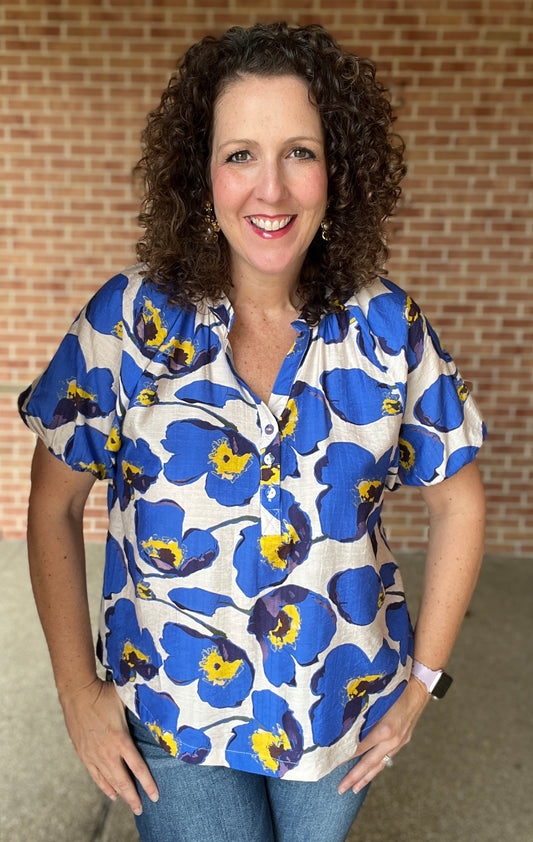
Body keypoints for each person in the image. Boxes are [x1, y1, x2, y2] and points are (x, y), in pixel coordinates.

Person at [19, 22, 486, 842]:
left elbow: (458, 501)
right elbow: (52, 503)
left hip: (340, 709)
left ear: (336, 169)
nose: (269, 190)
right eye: (240, 154)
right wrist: (76, 692)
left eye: (299, 152)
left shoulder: (385, 329)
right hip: (170, 712)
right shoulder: (129, 322)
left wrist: (420, 688)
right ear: (200, 175)